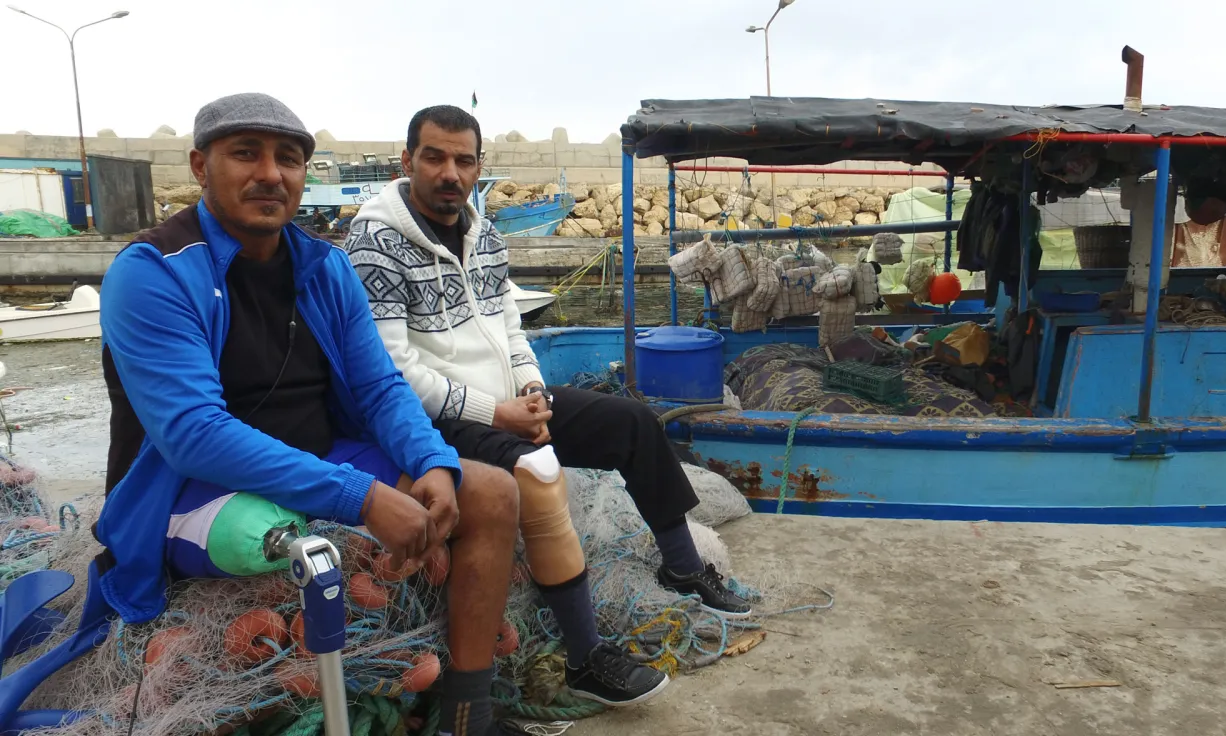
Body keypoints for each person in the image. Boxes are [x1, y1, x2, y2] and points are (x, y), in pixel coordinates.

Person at [96, 93, 523, 736]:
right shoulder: (154, 272)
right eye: (246, 154)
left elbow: (379, 386)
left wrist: (431, 460)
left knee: (490, 491)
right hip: (193, 484)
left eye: (289, 159)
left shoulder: (325, 266)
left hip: (320, 452)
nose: (271, 174)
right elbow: (192, 434)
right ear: (200, 166)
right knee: (270, 537)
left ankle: (467, 715)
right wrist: (362, 497)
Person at [342, 105, 752, 701]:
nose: (450, 173)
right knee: (537, 471)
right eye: (434, 157)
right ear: (406, 162)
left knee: (634, 421)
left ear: (479, 166)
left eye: (463, 160)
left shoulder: (484, 233)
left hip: (508, 398)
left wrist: (532, 391)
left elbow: (511, 330)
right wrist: (496, 413)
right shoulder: (374, 242)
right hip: (434, 419)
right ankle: (586, 658)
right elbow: (393, 370)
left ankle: (683, 566)